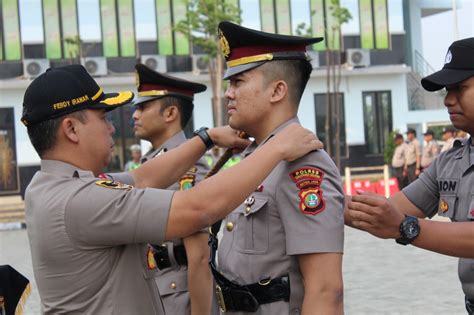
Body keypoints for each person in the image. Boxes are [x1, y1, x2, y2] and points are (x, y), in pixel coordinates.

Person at [20, 64, 321, 314]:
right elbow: (197, 209)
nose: (112, 128)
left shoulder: (47, 187)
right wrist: (277, 148)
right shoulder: (81, 200)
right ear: (71, 129)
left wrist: (207, 138)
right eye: (103, 118)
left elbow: (143, 179)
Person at [211, 21, 344, 314]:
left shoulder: (303, 165)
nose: (228, 94)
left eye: (238, 82)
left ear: (277, 91)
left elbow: (326, 290)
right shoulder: (259, 156)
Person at [345, 37, 474, 314]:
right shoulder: (453, 160)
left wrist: (406, 227)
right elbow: (388, 211)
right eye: (447, 90)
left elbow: (397, 220)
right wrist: (310, 193)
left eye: (460, 88)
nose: (448, 99)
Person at [131, 63, 212, 314]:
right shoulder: (151, 163)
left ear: (170, 114)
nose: (135, 115)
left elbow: (199, 257)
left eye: (143, 107)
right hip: (154, 287)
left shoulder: (188, 165)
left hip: (178, 295)